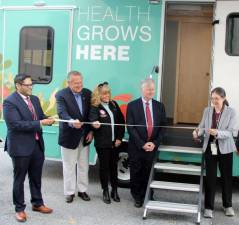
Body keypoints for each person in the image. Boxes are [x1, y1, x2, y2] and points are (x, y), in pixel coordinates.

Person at [3, 74, 55, 222]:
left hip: (37, 145)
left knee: (36, 177)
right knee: (19, 179)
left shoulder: (35, 99)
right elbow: (15, 124)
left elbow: (40, 116)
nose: (31, 87)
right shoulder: (9, 102)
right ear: (18, 85)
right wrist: (41, 123)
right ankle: (19, 209)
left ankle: (37, 203)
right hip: (20, 147)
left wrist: (50, 119)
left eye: (32, 84)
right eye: (28, 85)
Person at [193, 87, 236, 218]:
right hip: (210, 146)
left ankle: (227, 205)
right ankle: (208, 207)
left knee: (226, 178)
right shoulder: (207, 110)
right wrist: (197, 132)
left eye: (216, 98)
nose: (214, 101)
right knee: (210, 178)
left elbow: (231, 132)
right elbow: (201, 126)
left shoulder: (231, 112)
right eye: (212, 98)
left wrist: (217, 132)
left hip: (225, 148)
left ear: (223, 98)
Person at [126, 78, 166, 208]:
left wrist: (154, 143)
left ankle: (149, 194)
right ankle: (137, 196)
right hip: (137, 146)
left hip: (152, 146)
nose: (151, 91)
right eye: (148, 89)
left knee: (149, 172)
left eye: (152, 89)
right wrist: (142, 143)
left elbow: (163, 127)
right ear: (142, 90)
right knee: (136, 172)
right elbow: (130, 127)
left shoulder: (160, 106)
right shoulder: (132, 105)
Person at [55, 71, 93, 203]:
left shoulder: (88, 93)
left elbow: (90, 114)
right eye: (76, 83)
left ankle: (82, 190)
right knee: (69, 166)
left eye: (80, 82)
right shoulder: (61, 95)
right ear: (68, 83)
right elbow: (61, 112)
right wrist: (71, 121)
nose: (79, 85)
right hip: (69, 136)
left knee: (84, 166)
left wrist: (91, 131)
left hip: (85, 136)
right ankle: (69, 192)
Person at [89, 82, 125, 204]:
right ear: (98, 95)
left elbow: (121, 122)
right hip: (102, 143)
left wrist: (119, 138)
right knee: (104, 168)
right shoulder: (95, 106)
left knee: (114, 167)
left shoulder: (114, 104)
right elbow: (92, 121)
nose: (107, 96)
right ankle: (105, 191)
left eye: (108, 93)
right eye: (104, 93)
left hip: (114, 143)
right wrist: (95, 124)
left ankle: (114, 190)